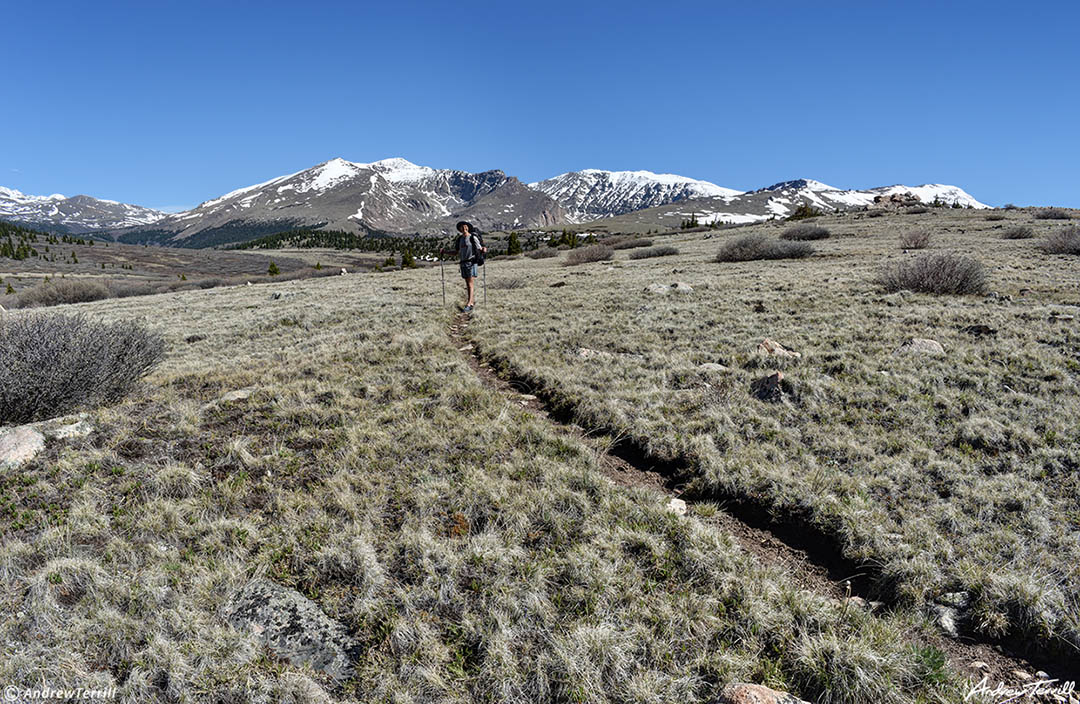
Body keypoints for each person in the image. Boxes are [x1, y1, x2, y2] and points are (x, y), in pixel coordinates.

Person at [453, 221, 486, 312]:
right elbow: (456, 252)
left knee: (470, 283)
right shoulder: (460, 239)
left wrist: (483, 250)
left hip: (471, 262)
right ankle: (471, 302)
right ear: (460, 229)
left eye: (465, 226)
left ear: (468, 228)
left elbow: (480, 248)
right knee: (468, 283)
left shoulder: (472, 237)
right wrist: (444, 252)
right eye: (461, 227)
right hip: (463, 263)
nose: (463, 228)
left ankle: (469, 304)